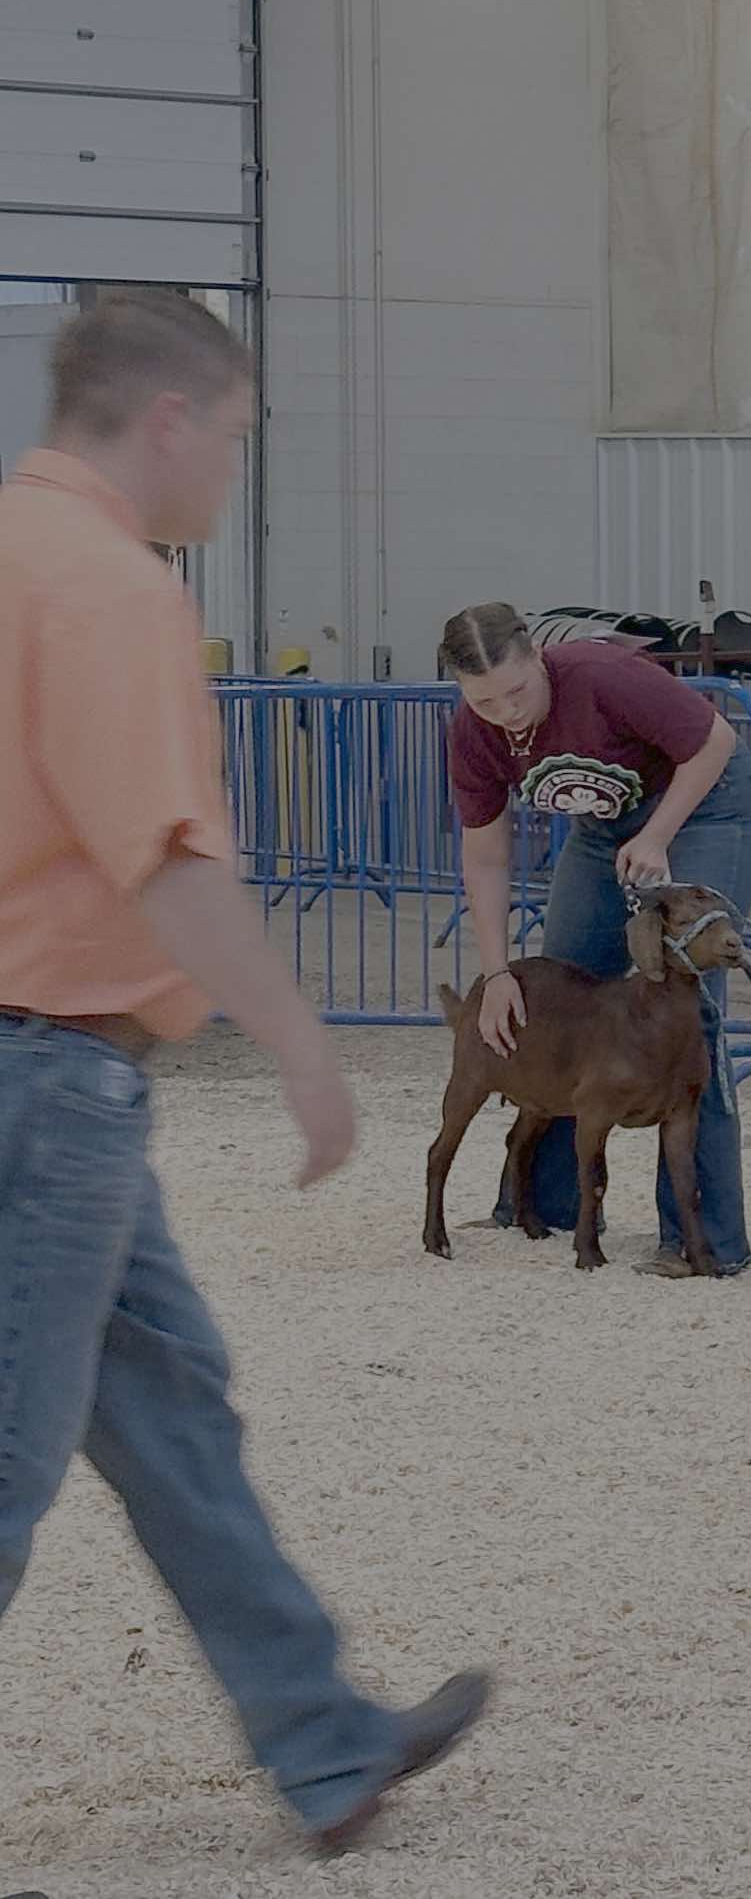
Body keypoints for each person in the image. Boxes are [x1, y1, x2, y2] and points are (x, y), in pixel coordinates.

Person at [0, 288, 488, 1850]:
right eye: (238, 434)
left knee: (169, 1406)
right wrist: (303, 1042)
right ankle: (320, 1730)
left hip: (55, 1082)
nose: (234, 467)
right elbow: (165, 858)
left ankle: (322, 1736)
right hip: (47, 1079)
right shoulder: (113, 586)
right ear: (169, 419)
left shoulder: (13, 544)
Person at [442, 601, 751, 1276]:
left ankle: (701, 1239)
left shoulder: (600, 675)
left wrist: (657, 836)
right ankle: (543, 1205)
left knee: (687, 999)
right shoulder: (473, 735)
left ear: (538, 658)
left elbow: (714, 743)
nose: (505, 711)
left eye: (517, 690)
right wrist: (497, 971)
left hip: (705, 804)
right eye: (483, 700)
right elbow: (485, 856)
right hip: (605, 829)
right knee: (560, 985)